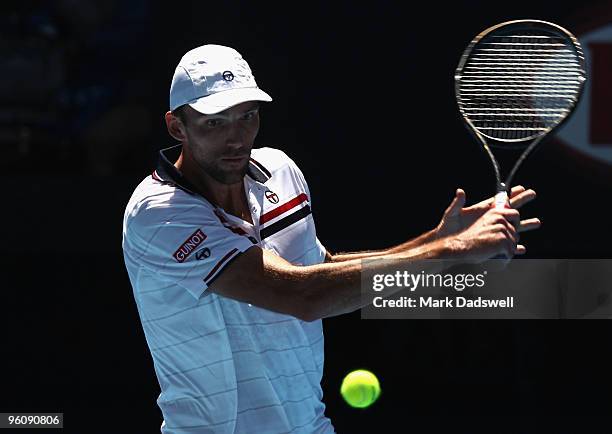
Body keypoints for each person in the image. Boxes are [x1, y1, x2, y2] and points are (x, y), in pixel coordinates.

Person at [122, 44, 541, 434]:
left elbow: (320, 271)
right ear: (177, 126)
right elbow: (303, 296)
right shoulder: (158, 214)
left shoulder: (281, 172)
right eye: (215, 123)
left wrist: (431, 241)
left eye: (247, 115)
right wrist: (450, 251)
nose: (236, 137)